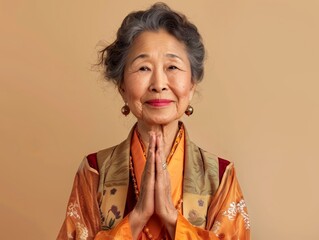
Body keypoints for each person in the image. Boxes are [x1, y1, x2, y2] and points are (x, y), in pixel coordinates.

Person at [57, 3, 250, 240]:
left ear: (191, 85)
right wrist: (137, 217)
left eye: (172, 67)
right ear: (122, 87)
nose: (159, 83)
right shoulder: (95, 170)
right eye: (143, 67)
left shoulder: (220, 176)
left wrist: (171, 218)